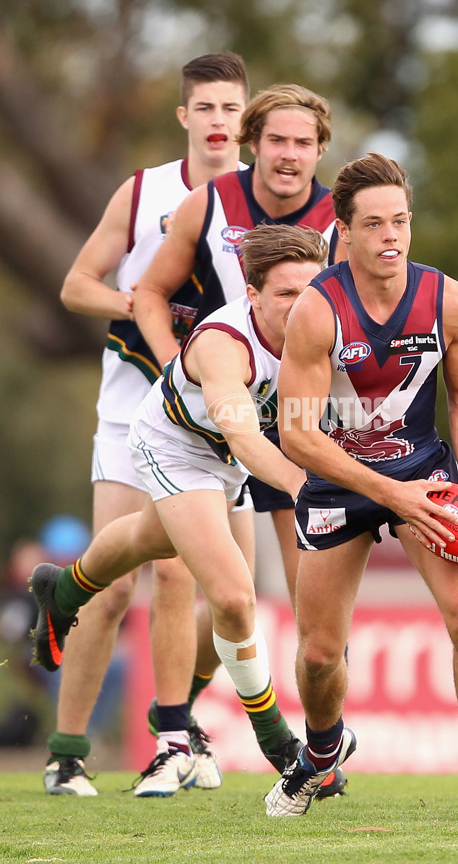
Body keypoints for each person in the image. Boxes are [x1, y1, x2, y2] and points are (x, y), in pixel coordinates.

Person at [265, 153, 458, 820]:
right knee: (318, 655)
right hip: (338, 480)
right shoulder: (315, 314)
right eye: (374, 224)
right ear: (344, 231)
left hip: (424, 474)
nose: (391, 237)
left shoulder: (450, 301)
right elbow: (298, 437)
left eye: (400, 221)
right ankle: (319, 756)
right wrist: (386, 495)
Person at [31, 224, 345, 799]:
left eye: (311, 290)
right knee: (232, 595)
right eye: (285, 294)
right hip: (177, 444)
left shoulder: (321, 328)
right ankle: (276, 739)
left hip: (228, 457)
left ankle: (64, 590)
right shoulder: (224, 343)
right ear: (252, 295)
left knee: (149, 539)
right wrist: (310, 488)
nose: (301, 305)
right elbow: (248, 440)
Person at [47, 52, 252, 796]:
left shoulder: (260, 202)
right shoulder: (144, 193)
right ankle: (67, 752)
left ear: (246, 118)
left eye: (232, 109)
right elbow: (76, 285)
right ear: (184, 117)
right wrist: (144, 305)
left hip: (219, 421)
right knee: (117, 585)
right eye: (207, 109)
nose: (220, 122)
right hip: (131, 405)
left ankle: (174, 732)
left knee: (206, 584)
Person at [133, 82, 344, 609]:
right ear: (253, 142)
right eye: (277, 140)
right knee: (202, 585)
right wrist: (178, 369)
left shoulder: (342, 223)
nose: (289, 154)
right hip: (221, 411)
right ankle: (176, 696)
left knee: (309, 601)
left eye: (303, 142)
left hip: (299, 414)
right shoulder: (208, 203)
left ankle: (299, 681)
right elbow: (151, 294)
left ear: (320, 150)